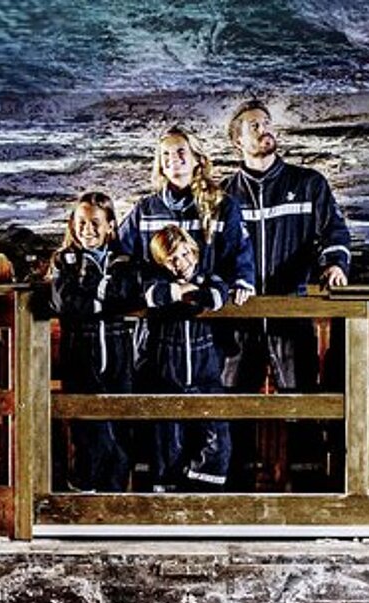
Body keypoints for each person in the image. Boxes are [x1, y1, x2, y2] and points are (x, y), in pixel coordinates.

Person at [221, 99, 353, 490]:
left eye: (266, 123)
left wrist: (335, 265)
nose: (264, 130)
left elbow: (333, 233)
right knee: (232, 403)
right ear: (237, 142)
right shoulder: (223, 194)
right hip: (236, 319)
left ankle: (307, 488)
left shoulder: (308, 184)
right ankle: (236, 487)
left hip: (290, 314)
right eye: (253, 126)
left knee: (301, 401)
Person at [49, 191, 143, 491]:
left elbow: (127, 294)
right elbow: (64, 301)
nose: (87, 229)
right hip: (80, 352)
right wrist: (103, 301)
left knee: (120, 423)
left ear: (111, 226)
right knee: (88, 425)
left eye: (95, 222)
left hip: (118, 352)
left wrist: (92, 298)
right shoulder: (64, 261)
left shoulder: (123, 260)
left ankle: (114, 494)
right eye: (81, 222)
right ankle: (84, 488)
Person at [118, 125, 255, 302]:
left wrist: (242, 282)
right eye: (165, 154)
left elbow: (239, 250)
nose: (172, 157)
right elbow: (120, 252)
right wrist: (138, 286)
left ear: (197, 159)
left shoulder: (223, 206)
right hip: (159, 319)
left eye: (180, 151)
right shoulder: (145, 210)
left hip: (207, 319)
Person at [142, 224, 231, 491]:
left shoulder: (209, 278)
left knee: (217, 437)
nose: (181, 264)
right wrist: (177, 292)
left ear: (193, 251)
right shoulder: (158, 283)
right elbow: (149, 295)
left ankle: (205, 491)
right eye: (172, 260)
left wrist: (192, 293)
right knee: (168, 440)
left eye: (184, 255)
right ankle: (167, 494)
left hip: (206, 375)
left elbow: (216, 297)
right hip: (168, 375)